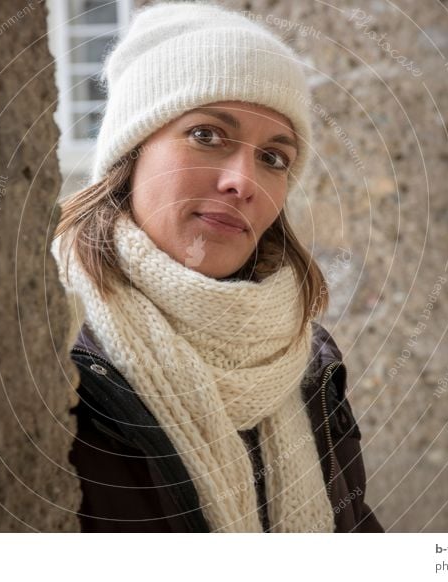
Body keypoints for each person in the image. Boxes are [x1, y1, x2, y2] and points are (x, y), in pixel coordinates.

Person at [50, 1, 383, 533]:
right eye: (207, 134)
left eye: (274, 157)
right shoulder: (54, 356)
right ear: (131, 153)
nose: (243, 181)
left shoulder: (304, 353)